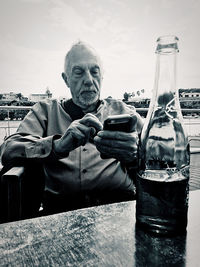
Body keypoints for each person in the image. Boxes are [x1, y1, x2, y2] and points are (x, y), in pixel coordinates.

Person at [1, 41, 143, 215]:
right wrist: (58, 145)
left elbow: (161, 150)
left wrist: (135, 153)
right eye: (78, 72)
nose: (89, 81)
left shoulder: (123, 111)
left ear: (102, 76)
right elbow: (8, 150)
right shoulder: (45, 111)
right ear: (66, 79)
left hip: (120, 207)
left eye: (94, 71)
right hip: (61, 211)